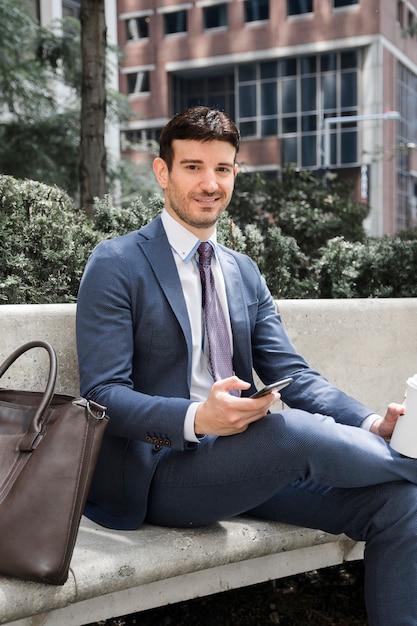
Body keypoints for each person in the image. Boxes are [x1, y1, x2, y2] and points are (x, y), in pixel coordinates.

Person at [76, 106, 417, 626]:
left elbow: (295, 375)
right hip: (160, 474)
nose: (209, 183)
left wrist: (373, 423)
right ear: (162, 172)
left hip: (246, 464)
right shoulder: (117, 263)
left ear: (236, 173)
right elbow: (102, 394)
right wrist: (197, 420)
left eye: (223, 168)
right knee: (287, 433)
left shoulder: (242, 271)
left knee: (402, 505)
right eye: (193, 167)